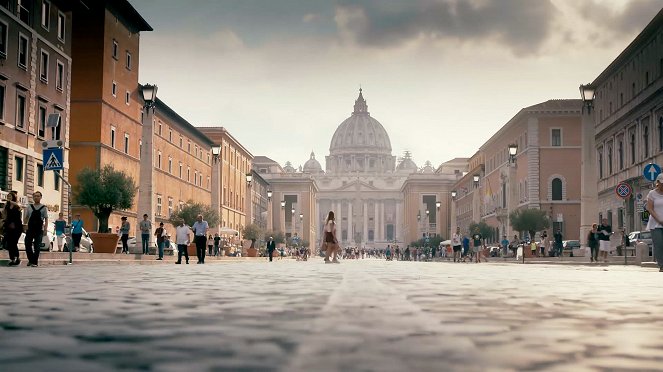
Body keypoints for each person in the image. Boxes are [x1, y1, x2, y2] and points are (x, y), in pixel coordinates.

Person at [24, 191, 48, 267]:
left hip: (39, 229)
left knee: (37, 246)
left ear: (41, 197)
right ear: (33, 197)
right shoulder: (29, 207)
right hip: (30, 229)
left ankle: (34, 262)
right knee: (27, 244)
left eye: (38, 196)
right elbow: (26, 217)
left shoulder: (44, 208)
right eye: (35, 196)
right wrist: (25, 225)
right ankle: (31, 260)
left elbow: (46, 219)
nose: (36, 197)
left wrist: (45, 229)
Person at [646, 173, 663, 272]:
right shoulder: (652, 193)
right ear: (658, 182)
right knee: (659, 244)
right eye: (662, 183)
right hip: (656, 224)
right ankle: (661, 265)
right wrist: (659, 220)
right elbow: (650, 208)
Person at [3, 191, 23, 266]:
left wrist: (11, 202)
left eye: (10, 197)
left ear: (13, 197)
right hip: (9, 225)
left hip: (17, 226)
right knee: (9, 243)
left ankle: (16, 257)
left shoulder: (17, 204)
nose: (8, 198)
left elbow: (20, 207)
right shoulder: (7, 205)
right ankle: (13, 258)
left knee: (14, 242)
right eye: (8, 197)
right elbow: (4, 214)